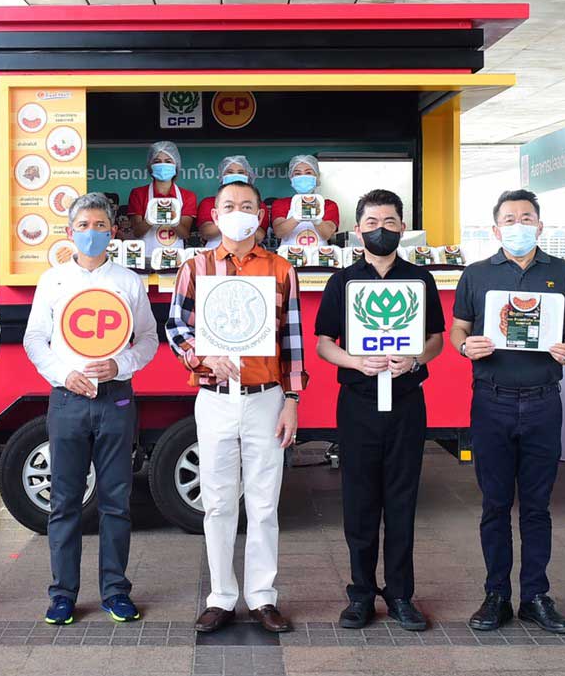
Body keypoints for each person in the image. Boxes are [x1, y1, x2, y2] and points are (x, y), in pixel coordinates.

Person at [167, 178, 305, 634]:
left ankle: (263, 597)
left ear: (261, 214)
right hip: (215, 401)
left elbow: (292, 342)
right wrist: (201, 355)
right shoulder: (196, 266)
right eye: (229, 205)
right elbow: (176, 328)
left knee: (265, 504)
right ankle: (222, 596)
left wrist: (292, 400)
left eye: (247, 205)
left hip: (266, 399)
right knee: (219, 503)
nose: (238, 211)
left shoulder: (282, 270)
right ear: (215, 215)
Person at [449, 188, 565, 636]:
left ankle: (535, 596)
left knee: (537, 506)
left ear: (540, 226)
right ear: (495, 229)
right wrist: (465, 347)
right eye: (509, 219)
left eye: (526, 218)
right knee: (493, 504)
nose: (518, 225)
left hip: (545, 400)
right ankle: (495, 595)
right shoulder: (475, 274)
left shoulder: (564, 272)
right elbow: (458, 331)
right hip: (491, 400)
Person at [23, 193, 158, 625]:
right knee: (64, 501)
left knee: (116, 500)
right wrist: (65, 376)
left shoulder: (129, 281)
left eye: (100, 225)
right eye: (83, 225)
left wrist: (121, 363)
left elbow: (149, 340)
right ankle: (63, 593)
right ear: (69, 231)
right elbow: (34, 341)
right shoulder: (53, 280)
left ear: (113, 231)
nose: (92, 232)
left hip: (116, 398)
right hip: (68, 400)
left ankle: (116, 590)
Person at [314, 189, 444, 631]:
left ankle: (402, 595)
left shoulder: (420, 279)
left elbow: (437, 338)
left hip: (407, 403)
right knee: (359, 501)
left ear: (402, 228)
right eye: (371, 223)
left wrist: (417, 359)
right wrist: (354, 361)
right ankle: (362, 595)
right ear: (357, 230)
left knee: (403, 501)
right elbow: (323, 343)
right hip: (358, 405)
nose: (381, 230)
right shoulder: (342, 281)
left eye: (389, 222)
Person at [124, 141, 196, 254]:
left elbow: (185, 234)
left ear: (176, 165)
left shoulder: (187, 196)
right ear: (150, 166)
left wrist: (174, 221)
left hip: (175, 258)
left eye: (168, 161)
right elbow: (137, 232)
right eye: (157, 161)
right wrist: (151, 219)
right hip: (145, 258)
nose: (163, 165)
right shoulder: (138, 193)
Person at [197, 155, 269, 245]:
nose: (235, 175)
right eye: (230, 172)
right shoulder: (208, 202)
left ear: (248, 176)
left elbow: (259, 237)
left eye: (240, 172)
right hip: (214, 254)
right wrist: (235, 219)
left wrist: (230, 218)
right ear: (222, 176)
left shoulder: (258, 204)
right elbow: (206, 233)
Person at [271, 154, 340, 247]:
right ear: (292, 178)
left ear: (317, 177)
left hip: (320, 258)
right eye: (297, 174)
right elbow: (279, 232)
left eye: (308, 173)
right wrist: (296, 217)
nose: (303, 177)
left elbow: (327, 235)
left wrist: (317, 220)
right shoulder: (281, 204)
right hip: (288, 258)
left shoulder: (328, 205)